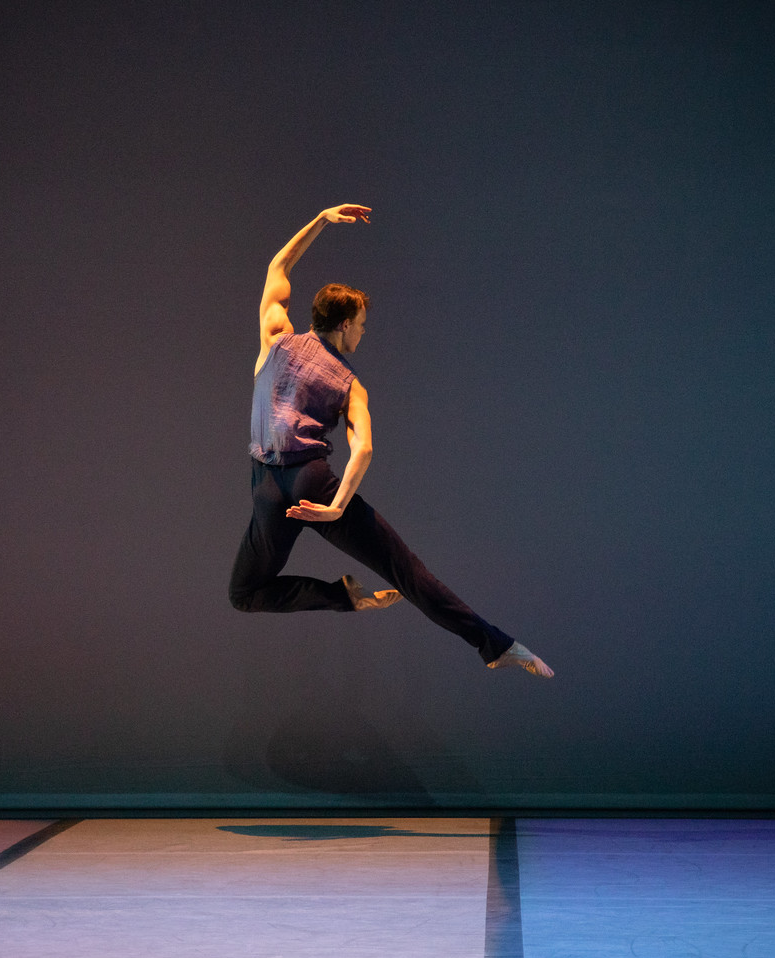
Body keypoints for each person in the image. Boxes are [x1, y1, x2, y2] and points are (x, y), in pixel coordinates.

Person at [227, 204, 553, 678]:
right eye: (360, 323)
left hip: (265, 487)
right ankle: (497, 645)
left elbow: (279, 266)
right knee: (406, 571)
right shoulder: (350, 384)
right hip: (311, 486)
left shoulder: (274, 336)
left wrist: (320, 220)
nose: (363, 331)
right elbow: (364, 449)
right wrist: (337, 508)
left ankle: (343, 598)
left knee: (245, 594)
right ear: (343, 325)